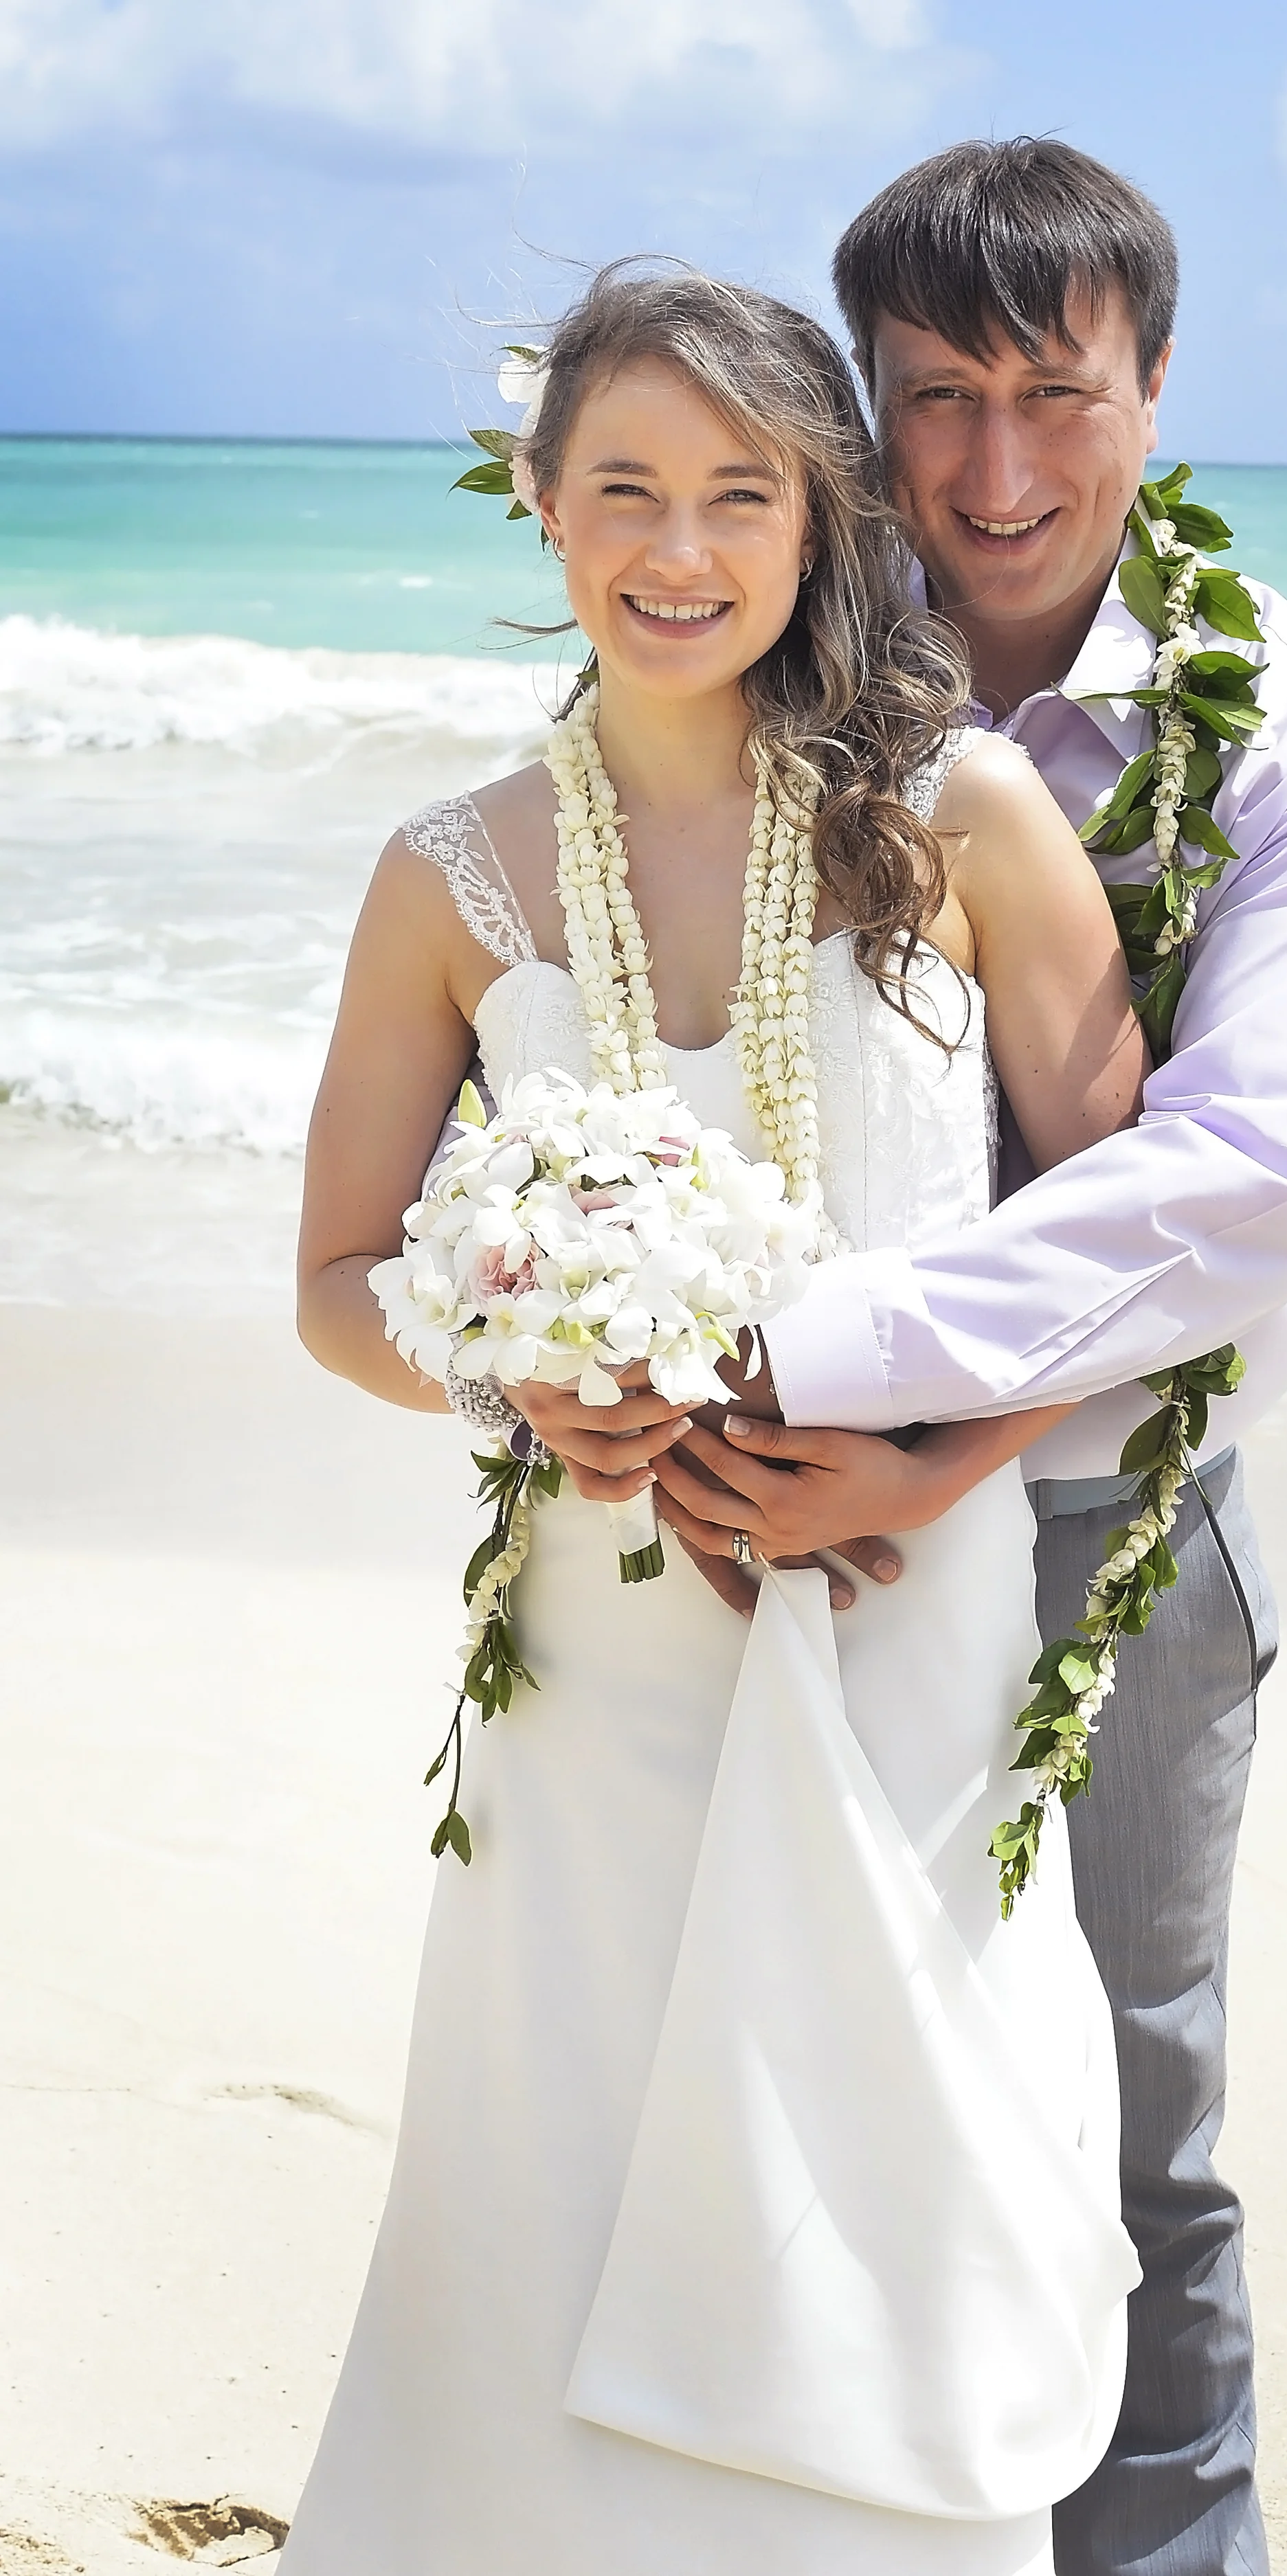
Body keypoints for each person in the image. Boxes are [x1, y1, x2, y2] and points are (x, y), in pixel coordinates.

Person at [287, 262, 1156, 2573]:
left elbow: (1135, 1233)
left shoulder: (956, 813)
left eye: (739, 494)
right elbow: (335, 1283)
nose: (677, 547)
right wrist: (513, 1371)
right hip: (595, 1640)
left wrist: (938, 1454)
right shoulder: (450, 876)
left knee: (889, 2155)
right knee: (554, 2147)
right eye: (623, 489)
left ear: (821, 516)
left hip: (909, 1615)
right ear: (539, 505)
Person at [628, 142, 1287, 2576]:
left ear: (1155, 385)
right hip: (735, 1512)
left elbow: (1240, 1193)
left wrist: (869, 1396)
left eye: (1056, 394)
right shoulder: (743, 639)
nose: (997, 474)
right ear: (862, 417)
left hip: (1106, 1528)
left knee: (1120, 2122)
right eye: (937, 401)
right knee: (740, 2083)